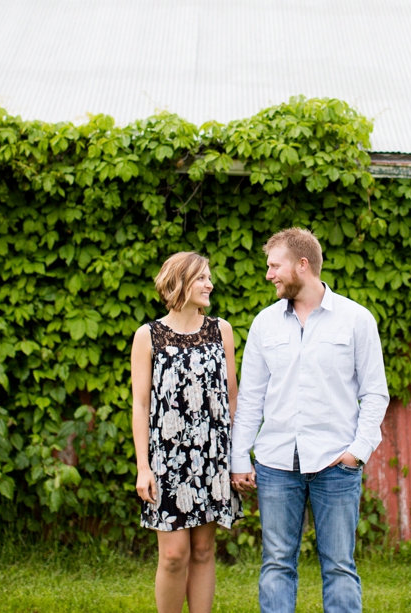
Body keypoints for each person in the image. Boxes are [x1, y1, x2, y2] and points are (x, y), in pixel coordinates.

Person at [230, 228, 389, 613]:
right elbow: (250, 399)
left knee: (338, 566)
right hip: (275, 464)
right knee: (277, 563)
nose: (269, 275)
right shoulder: (264, 324)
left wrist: (357, 452)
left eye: (274, 266)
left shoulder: (356, 320)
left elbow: (375, 393)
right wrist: (238, 460)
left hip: (336, 463)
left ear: (303, 265)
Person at [131, 251, 242, 613]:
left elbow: (233, 397)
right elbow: (141, 406)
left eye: (209, 277)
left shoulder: (220, 330)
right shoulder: (148, 336)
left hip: (212, 457)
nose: (209, 284)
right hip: (168, 460)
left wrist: (237, 457)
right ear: (178, 282)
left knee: (204, 550)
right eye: (201, 278)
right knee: (174, 555)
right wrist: (143, 467)